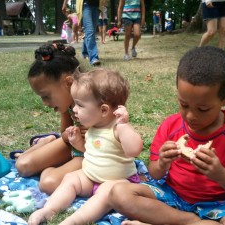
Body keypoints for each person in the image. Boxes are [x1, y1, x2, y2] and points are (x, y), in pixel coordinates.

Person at [109, 46, 225, 225]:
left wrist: (220, 174)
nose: (190, 116)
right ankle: (189, 221)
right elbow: (154, 174)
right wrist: (162, 163)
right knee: (118, 194)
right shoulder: (171, 125)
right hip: (171, 195)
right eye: (184, 105)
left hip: (219, 203)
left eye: (203, 109)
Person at [28, 68, 143, 225]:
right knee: (71, 178)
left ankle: (75, 221)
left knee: (105, 192)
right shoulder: (93, 127)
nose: (74, 110)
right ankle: (49, 209)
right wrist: (78, 144)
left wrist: (124, 126)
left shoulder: (117, 128)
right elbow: (91, 151)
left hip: (119, 182)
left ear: (103, 110)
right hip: (91, 176)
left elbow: (134, 150)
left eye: (80, 105)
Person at [15, 43, 84, 195]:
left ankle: (50, 154)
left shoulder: (93, 100)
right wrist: (64, 111)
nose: (45, 103)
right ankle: (47, 142)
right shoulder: (69, 99)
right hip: (74, 145)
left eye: (46, 96)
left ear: (68, 82)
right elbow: (65, 134)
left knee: (48, 183)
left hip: (92, 154)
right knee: (22, 165)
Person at [63, 0, 101, 66]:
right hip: (85, 5)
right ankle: (93, 57)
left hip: (97, 5)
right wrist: (64, 4)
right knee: (90, 31)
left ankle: (85, 52)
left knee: (91, 32)